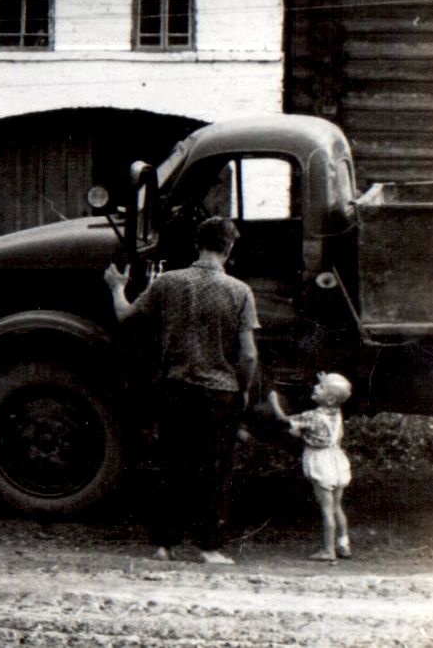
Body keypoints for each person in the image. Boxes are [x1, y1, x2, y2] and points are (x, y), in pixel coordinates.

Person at [103, 216, 260, 564]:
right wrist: (243, 389)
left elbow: (126, 317)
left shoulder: (168, 283)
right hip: (221, 392)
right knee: (215, 471)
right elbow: (248, 354)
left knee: (172, 467)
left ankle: (164, 545)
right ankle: (209, 548)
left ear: (197, 244)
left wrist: (117, 287)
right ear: (229, 249)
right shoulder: (240, 292)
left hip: (175, 387)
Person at [268, 373, 353, 561]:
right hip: (337, 460)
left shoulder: (311, 416)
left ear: (330, 398)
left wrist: (274, 401)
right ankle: (343, 544)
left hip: (321, 462)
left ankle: (328, 550)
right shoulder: (337, 413)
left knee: (326, 509)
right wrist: (327, 381)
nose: (315, 388)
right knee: (337, 507)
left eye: (320, 387)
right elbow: (318, 435)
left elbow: (283, 419)